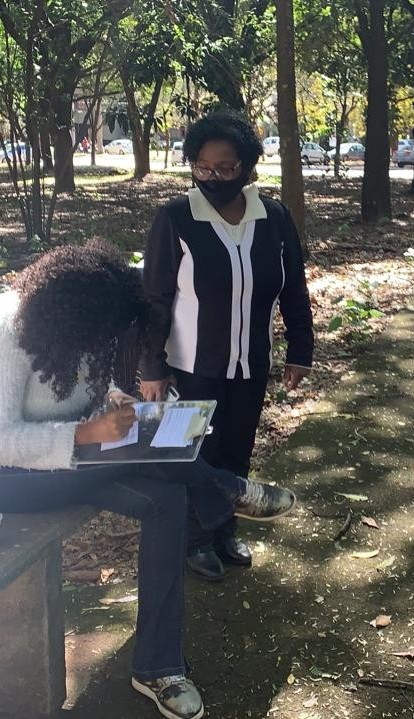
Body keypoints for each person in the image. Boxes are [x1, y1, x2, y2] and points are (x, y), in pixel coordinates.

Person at [0, 243, 296, 719]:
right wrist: (85, 432)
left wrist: (115, 402)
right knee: (160, 458)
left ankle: (158, 667)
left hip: (75, 462)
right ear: (71, 314)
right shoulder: (8, 330)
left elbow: (82, 390)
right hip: (15, 481)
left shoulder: (85, 325)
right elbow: (2, 438)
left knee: (165, 498)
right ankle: (223, 487)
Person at [139, 110, 314, 581]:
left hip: (250, 363)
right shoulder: (176, 218)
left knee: (235, 451)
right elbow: (154, 299)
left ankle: (224, 532)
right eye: (203, 167)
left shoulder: (273, 218)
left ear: (248, 166)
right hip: (189, 366)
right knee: (190, 457)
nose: (214, 177)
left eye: (226, 168)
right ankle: (192, 540)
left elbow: (293, 287)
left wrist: (301, 347)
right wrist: (151, 366)